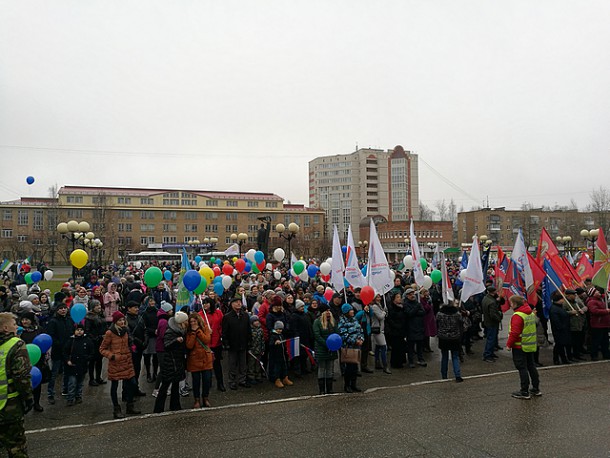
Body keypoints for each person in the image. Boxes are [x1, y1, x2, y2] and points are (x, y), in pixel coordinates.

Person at [0, 312, 33, 457]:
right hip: (9, 406)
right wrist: (28, 399)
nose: (17, 327)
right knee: (16, 447)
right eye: (14, 324)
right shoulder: (16, 344)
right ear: (5, 328)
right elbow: (22, 377)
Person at [99, 311, 141, 418]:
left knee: (132, 383)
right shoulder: (110, 333)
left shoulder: (126, 331)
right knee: (114, 386)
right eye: (120, 320)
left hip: (127, 362)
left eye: (123, 320)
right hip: (116, 363)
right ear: (115, 322)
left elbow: (130, 342)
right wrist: (112, 356)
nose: (122, 322)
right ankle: (116, 409)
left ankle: (129, 406)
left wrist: (132, 348)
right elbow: (102, 349)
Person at [506, 295, 541, 400]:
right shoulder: (529, 313)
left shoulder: (518, 315)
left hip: (519, 346)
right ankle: (536, 388)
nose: (510, 305)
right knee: (531, 366)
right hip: (529, 344)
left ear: (515, 304)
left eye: (511, 303)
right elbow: (536, 323)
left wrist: (508, 345)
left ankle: (524, 391)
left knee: (522, 368)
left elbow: (515, 332)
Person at [154, 311, 188, 413]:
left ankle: (175, 405)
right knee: (165, 386)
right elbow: (167, 345)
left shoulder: (183, 331)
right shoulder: (171, 331)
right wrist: (176, 341)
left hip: (178, 361)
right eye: (186, 320)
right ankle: (158, 409)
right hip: (170, 362)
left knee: (176, 385)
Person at [46, 302, 74, 405]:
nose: (63, 310)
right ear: (57, 310)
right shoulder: (53, 321)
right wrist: (60, 344)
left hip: (67, 351)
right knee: (54, 373)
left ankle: (65, 390)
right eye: (61, 308)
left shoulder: (69, 320)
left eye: (65, 308)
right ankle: (50, 394)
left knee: (67, 372)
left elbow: (72, 332)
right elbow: (51, 336)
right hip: (57, 351)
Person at [185, 313, 213, 408]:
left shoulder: (204, 328)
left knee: (207, 380)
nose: (193, 323)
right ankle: (196, 399)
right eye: (191, 321)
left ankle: (205, 398)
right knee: (196, 381)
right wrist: (193, 334)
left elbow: (206, 340)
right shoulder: (188, 331)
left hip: (206, 358)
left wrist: (198, 331)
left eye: (194, 321)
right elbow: (189, 345)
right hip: (194, 359)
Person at [222, 297, 251, 390]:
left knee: (243, 364)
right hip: (232, 344)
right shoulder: (227, 317)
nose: (239, 304)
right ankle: (232, 381)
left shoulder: (245, 315)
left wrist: (249, 341)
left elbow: (248, 330)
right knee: (232, 364)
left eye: (240, 302)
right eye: (236, 302)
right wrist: (226, 343)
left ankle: (242, 380)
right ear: (232, 304)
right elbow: (224, 332)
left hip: (243, 343)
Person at [63, 323, 94, 406]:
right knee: (72, 383)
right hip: (72, 365)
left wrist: (87, 358)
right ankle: (70, 398)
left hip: (82, 365)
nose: (79, 332)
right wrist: (67, 360)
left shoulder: (87, 340)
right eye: (77, 330)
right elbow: (65, 352)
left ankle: (78, 396)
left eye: (81, 330)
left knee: (80, 383)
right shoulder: (71, 341)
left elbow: (92, 352)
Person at [198, 297, 225, 392]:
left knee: (217, 364)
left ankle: (220, 383)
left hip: (217, 342)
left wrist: (220, 333)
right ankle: (207, 383)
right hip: (205, 343)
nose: (205, 305)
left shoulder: (218, 313)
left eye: (207, 303)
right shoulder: (200, 315)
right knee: (207, 365)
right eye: (204, 303)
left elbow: (222, 324)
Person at [338, 303, 364, 393]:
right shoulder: (342, 322)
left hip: (356, 347)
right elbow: (343, 335)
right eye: (350, 310)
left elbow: (360, 330)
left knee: (355, 367)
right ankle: (347, 385)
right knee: (349, 368)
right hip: (348, 347)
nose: (352, 311)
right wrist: (354, 341)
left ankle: (354, 384)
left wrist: (361, 339)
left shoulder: (354, 320)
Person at [435, 300, 464, 382]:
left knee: (444, 357)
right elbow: (461, 324)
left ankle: (444, 375)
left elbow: (436, 323)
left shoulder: (440, 314)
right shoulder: (457, 314)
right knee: (455, 357)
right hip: (454, 338)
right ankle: (457, 375)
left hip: (443, 338)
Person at [84, 300, 107, 386]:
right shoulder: (89, 318)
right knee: (92, 361)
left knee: (99, 360)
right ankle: (91, 378)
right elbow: (88, 331)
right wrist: (97, 337)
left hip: (101, 341)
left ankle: (98, 377)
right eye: (97, 306)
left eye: (99, 305)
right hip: (94, 342)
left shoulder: (101, 315)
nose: (99, 307)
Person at [404, 288, 427, 368]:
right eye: (410, 294)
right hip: (411, 328)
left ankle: (420, 359)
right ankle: (411, 361)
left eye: (413, 294)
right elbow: (409, 314)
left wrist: (415, 311)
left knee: (420, 345)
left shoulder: (417, 303)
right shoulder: (406, 304)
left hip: (419, 326)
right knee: (411, 346)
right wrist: (416, 309)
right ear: (407, 296)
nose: (412, 296)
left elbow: (423, 312)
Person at [585, 287, 610, 360]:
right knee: (596, 341)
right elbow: (594, 311)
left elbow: (603, 296)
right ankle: (594, 355)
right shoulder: (592, 302)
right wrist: (606, 311)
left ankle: (606, 354)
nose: (599, 292)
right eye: (597, 291)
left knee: (605, 341)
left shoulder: (600, 300)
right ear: (593, 294)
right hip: (597, 325)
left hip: (604, 324)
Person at [481, 286, 503, 362]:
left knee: (490, 339)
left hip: (487, 322)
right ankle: (487, 355)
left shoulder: (485, 299)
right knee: (491, 339)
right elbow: (493, 314)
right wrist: (499, 317)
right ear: (493, 292)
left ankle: (490, 353)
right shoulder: (492, 302)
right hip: (492, 323)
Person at [549, 291, 571, 365]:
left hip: (563, 330)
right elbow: (556, 321)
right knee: (559, 345)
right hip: (559, 331)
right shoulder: (554, 309)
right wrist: (561, 327)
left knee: (561, 345)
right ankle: (557, 359)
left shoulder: (558, 307)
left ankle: (563, 359)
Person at [386, 291, 408, 369]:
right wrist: (396, 326)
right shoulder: (391, 308)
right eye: (398, 297)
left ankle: (401, 361)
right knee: (396, 347)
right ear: (393, 299)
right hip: (395, 331)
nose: (400, 299)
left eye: (400, 297)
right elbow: (390, 319)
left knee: (401, 346)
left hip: (401, 330)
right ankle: (395, 363)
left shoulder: (402, 307)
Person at [370, 294, 391, 374]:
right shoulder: (375, 306)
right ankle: (385, 366)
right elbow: (380, 317)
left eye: (379, 297)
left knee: (378, 347)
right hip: (377, 330)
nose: (380, 298)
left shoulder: (379, 305)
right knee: (383, 347)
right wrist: (384, 312)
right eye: (378, 297)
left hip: (380, 329)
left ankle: (377, 363)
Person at [269, 321, 293, 388]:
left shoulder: (281, 335)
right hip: (276, 356)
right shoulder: (273, 336)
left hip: (283, 354)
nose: (280, 330)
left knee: (284, 366)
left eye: (281, 329)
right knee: (277, 368)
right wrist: (275, 343)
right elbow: (270, 345)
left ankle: (285, 377)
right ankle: (277, 379)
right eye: (278, 329)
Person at [247, 315, 265, 385]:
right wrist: (249, 349)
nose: (257, 322)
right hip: (252, 351)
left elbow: (262, 340)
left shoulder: (260, 330)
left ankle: (258, 376)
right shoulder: (250, 331)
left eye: (257, 321)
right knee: (251, 364)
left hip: (259, 350)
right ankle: (251, 377)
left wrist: (263, 349)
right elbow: (248, 341)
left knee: (258, 364)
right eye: (255, 321)